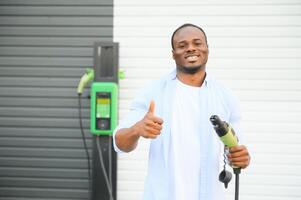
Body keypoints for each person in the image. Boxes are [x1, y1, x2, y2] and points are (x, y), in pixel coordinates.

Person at [113, 23, 250, 200]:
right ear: (173, 54)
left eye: (197, 43)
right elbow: (119, 143)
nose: (191, 48)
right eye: (182, 45)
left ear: (207, 49)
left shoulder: (225, 96)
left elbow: (238, 151)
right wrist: (136, 129)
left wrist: (242, 158)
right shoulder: (153, 92)